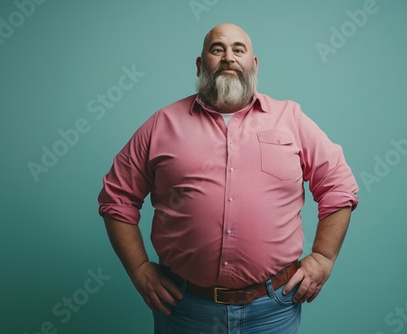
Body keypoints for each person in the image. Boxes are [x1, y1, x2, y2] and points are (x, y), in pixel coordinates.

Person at [98, 23, 359, 333]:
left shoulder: (290, 119)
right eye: (217, 49)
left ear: (254, 64)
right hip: (184, 309)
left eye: (239, 49)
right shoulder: (162, 125)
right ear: (200, 63)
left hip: (273, 309)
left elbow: (339, 187)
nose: (228, 58)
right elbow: (117, 199)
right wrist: (140, 270)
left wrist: (323, 259)